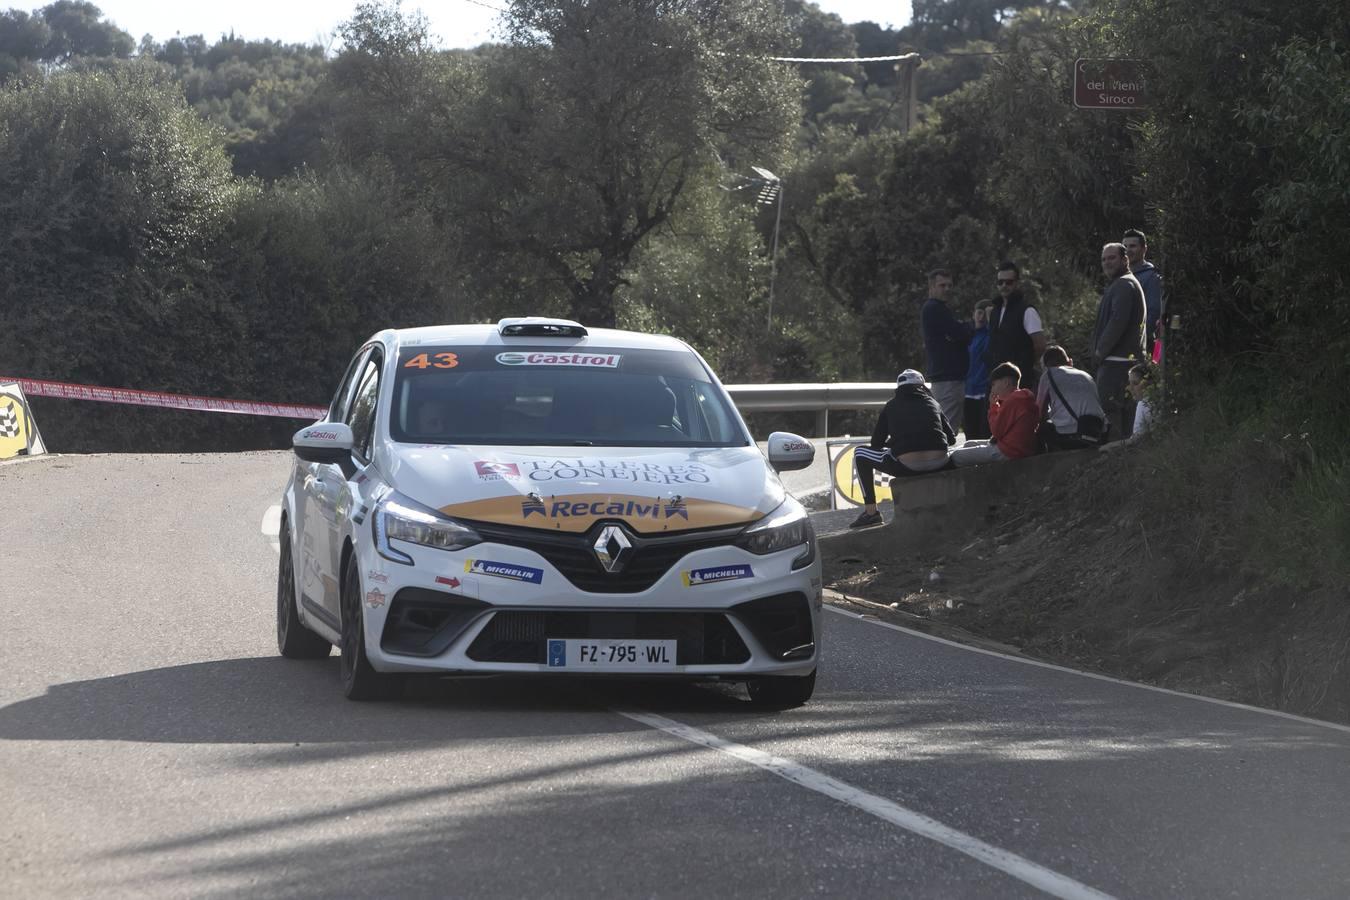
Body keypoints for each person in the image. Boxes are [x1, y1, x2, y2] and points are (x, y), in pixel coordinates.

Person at [849, 369, 956, 528]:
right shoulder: (934, 403)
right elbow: (952, 439)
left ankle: (871, 513)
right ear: (923, 387)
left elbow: (876, 444)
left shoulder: (891, 405)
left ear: (898, 388)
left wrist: (894, 442)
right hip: (940, 462)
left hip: (908, 466)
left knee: (859, 453)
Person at [1092, 242, 1147, 441]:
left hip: (1118, 364)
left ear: (1125, 260)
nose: (1107, 262)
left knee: (1113, 416)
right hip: (1119, 362)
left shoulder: (1124, 284)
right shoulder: (1121, 284)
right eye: (1104, 259)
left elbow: (1118, 321)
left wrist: (1100, 352)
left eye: (1112, 258)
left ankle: (1116, 459)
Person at [951, 362, 1040, 466]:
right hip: (1018, 448)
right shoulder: (1023, 398)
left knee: (956, 456)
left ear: (1006, 382)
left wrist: (993, 406)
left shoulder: (1012, 401)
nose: (992, 389)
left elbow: (997, 431)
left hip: (1009, 451)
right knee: (968, 444)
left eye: (994, 384)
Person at [920, 268, 972, 434]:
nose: (947, 289)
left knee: (942, 427)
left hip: (943, 378)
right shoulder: (935, 308)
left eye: (950, 285)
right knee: (947, 431)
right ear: (932, 288)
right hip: (948, 379)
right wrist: (971, 327)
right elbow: (957, 333)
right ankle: (943, 459)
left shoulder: (936, 308)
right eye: (942, 285)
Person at [985, 262, 1047, 388]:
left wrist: (1025, 364)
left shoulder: (1027, 311)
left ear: (1016, 283)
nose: (1004, 286)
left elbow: (1040, 344)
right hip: (996, 380)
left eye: (1009, 282)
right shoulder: (994, 312)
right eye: (1000, 282)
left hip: (1019, 381)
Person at [1036, 345, 1106, 450]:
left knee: (1041, 429)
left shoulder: (1048, 375)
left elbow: (1038, 412)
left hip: (1073, 435)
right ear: (1070, 362)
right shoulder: (1086, 375)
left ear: (1046, 367)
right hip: (1098, 431)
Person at [1122, 228, 1164, 353]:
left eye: (1133, 246)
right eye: (1125, 247)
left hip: (1142, 348)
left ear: (1144, 249)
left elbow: (1153, 312)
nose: (1128, 250)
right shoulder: (1121, 277)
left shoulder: (1152, 277)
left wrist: (1135, 341)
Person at [1103, 364, 1155, 451]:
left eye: (1135, 383)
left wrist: (1109, 446)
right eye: (1129, 383)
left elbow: (1136, 440)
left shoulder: (1144, 403)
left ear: (1149, 383)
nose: (1129, 388)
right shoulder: (1145, 402)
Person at [963, 300, 994, 440]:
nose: (981, 317)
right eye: (979, 313)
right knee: (970, 432)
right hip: (967, 390)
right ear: (973, 314)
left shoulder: (990, 335)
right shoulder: (967, 335)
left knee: (984, 432)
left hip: (984, 390)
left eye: (985, 314)